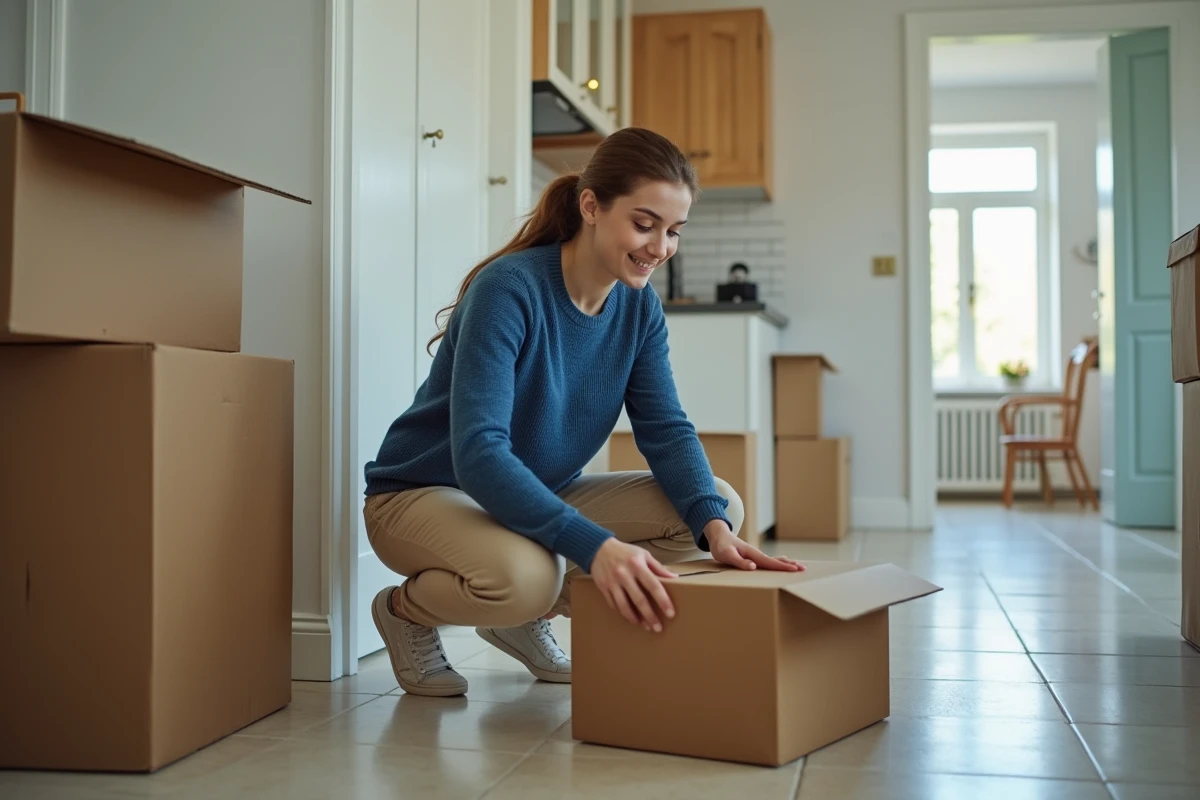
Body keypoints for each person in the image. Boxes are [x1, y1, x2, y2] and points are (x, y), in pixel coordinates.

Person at [361, 127, 805, 698]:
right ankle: (405, 611)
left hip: (528, 493)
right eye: (644, 224)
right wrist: (597, 547)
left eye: (673, 231)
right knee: (530, 577)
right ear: (591, 206)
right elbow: (479, 454)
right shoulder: (510, 289)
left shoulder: (639, 306)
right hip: (421, 495)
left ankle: (518, 616)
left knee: (715, 506)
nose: (660, 247)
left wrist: (716, 531)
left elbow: (665, 429)